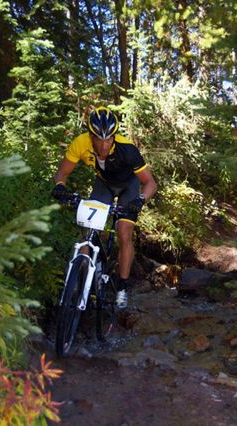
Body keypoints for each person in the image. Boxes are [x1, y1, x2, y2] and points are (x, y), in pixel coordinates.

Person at [52, 106, 157, 309]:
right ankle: (78, 281)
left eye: (108, 140)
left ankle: (122, 287)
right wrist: (59, 187)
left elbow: (150, 183)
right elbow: (61, 173)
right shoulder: (80, 143)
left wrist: (140, 200)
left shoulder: (127, 150)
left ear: (114, 137)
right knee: (88, 231)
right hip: (104, 184)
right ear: (90, 135)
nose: (103, 145)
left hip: (129, 186)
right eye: (98, 139)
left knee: (124, 232)